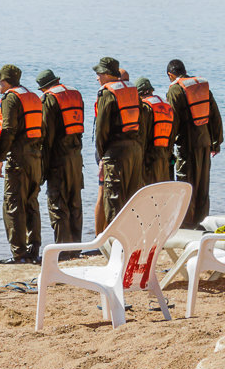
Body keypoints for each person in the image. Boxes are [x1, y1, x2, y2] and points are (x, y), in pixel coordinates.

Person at [0, 65, 44, 263]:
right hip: (35, 156)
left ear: (5, 81)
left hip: (18, 158)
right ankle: (34, 249)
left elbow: (8, 130)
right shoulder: (32, 96)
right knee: (32, 202)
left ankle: (19, 253)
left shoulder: (10, 98)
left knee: (13, 204)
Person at [166, 59, 223, 228]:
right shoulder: (201, 86)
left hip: (187, 146)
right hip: (205, 142)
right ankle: (202, 222)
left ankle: (186, 224)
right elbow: (215, 116)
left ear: (171, 75)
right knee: (202, 185)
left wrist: (167, 147)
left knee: (186, 185)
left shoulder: (175, 90)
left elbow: (173, 121)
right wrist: (216, 141)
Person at [94, 56, 145, 225]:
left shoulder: (106, 93)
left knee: (114, 201)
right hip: (135, 149)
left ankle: (115, 245)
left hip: (115, 153)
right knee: (132, 200)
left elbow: (101, 128)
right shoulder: (132, 89)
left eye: (99, 73)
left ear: (107, 74)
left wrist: (102, 156)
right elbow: (142, 120)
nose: (97, 77)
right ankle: (132, 242)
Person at [37, 69, 84, 246]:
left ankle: (62, 249)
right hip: (76, 157)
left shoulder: (49, 99)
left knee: (58, 204)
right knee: (75, 203)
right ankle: (77, 247)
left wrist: (43, 169)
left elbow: (46, 137)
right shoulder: (75, 94)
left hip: (58, 159)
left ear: (43, 88)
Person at [136, 78, 176, 185]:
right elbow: (172, 134)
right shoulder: (167, 105)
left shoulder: (146, 107)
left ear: (140, 93)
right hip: (165, 157)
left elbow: (143, 136)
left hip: (150, 159)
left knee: (150, 193)